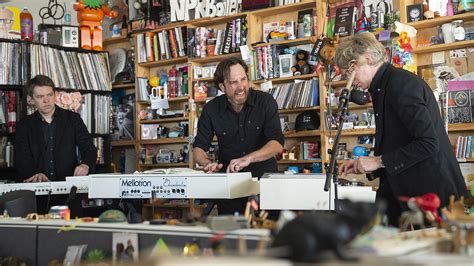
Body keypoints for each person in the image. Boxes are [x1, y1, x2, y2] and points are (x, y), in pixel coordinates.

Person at [335, 32, 468, 226]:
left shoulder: (400, 84)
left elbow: (428, 143)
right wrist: (364, 164)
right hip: (400, 186)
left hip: (430, 191)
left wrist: (378, 161)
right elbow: (397, 141)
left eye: (350, 70)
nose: (349, 78)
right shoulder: (382, 87)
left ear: (368, 59)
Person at [193, 57, 284, 215]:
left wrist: (248, 158)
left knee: (267, 234)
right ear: (222, 86)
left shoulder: (265, 102)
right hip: (230, 188)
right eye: (234, 82)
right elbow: (199, 148)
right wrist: (207, 163)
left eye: (243, 79)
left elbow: (276, 144)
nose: (241, 86)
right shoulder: (211, 109)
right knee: (231, 235)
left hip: (264, 185)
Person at [15, 75, 97, 215]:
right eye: (40, 97)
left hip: (69, 192)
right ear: (31, 99)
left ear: (55, 95)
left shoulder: (73, 119)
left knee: (71, 234)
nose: (46, 100)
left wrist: (85, 164)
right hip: (37, 193)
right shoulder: (24, 125)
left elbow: (89, 147)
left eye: (49, 95)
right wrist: (35, 174)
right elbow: (21, 157)